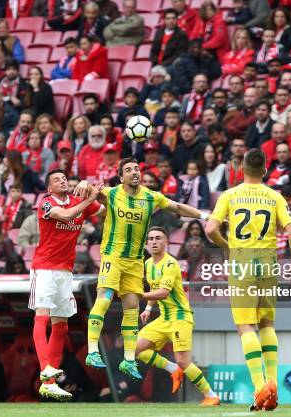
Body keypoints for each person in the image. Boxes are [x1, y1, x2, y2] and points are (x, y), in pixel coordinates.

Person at [75, 158, 210, 380]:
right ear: (121, 177)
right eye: (128, 170)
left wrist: (205, 216)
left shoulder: (150, 196)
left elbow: (176, 207)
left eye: (137, 168)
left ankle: (129, 360)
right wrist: (82, 181)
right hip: (113, 257)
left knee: (131, 308)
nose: (134, 172)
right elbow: (86, 189)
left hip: (135, 262)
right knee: (105, 298)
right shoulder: (111, 193)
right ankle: (92, 351)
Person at [205, 148, 291, 411]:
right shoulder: (275, 196)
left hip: (242, 265)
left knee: (246, 326)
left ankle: (260, 388)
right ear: (265, 171)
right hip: (268, 266)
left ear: (242, 170)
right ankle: (273, 388)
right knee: (267, 324)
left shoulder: (230, 195)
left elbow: (211, 228)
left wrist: (226, 247)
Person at [31, 170, 103, 400]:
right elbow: (65, 216)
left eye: (64, 177)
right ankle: (45, 369)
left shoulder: (78, 200)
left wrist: (88, 186)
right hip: (44, 268)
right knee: (42, 314)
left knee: (61, 324)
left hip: (65, 270)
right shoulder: (46, 204)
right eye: (56, 179)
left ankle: (49, 383)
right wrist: (89, 199)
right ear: (49, 188)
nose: (62, 179)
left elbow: (104, 211)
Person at [136, 227, 220, 406]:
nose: (154, 242)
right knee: (136, 348)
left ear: (166, 242)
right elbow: (154, 288)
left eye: (158, 238)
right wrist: (148, 310)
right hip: (164, 318)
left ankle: (211, 395)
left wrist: (138, 295)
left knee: (184, 361)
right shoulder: (148, 264)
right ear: (147, 243)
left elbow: (163, 293)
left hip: (180, 317)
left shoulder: (170, 264)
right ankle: (172, 369)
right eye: (150, 239)